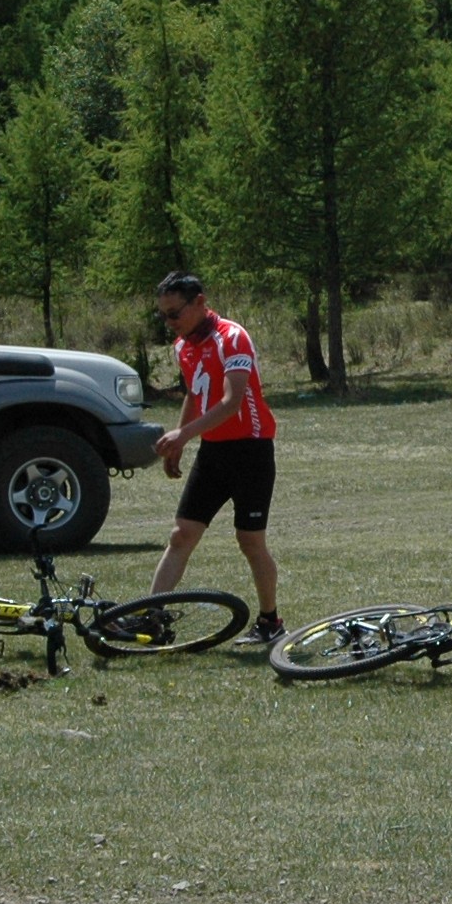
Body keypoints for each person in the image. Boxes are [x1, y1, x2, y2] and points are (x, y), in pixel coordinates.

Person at [149, 272, 282, 643]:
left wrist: (182, 434)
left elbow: (231, 401)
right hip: (213, 452)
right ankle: (152, 617)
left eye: (174, 314)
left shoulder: (232, 338)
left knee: (249, 539)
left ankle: (270, 621)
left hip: (250, 450)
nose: (170, 323)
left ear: (199, 303)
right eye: (163, 316)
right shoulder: (183, 346)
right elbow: (195, 393)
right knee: (182, 534)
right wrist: (179, 443)